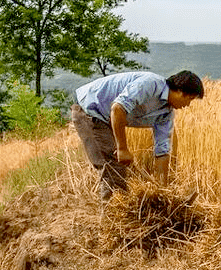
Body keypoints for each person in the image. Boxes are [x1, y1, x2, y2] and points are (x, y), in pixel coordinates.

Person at [70, 70, 204, 199]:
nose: (188, 105)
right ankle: (112, 219)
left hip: (106, 118)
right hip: (90, 109)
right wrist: (122, 148)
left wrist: (162, 190)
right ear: (180, 91)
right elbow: (118, 108)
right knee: (113, 170)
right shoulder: (151, 84)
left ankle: (119, 216)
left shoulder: (166, 115)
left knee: (117, 169)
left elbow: (162, 152)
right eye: (189, 99)